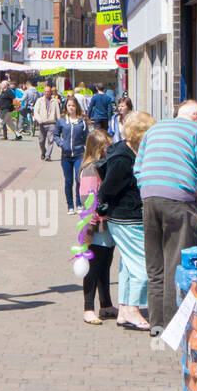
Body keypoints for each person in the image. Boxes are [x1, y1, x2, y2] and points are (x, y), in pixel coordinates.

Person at [136, 101, 197, 334]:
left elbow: (138, 167)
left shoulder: (154, 129)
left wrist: (146, 189)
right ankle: (174, 327)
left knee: (155, 265)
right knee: (176, 265)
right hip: (180, 201)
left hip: (150, 199)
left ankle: (157, 322)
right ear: (196, 114)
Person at [96, 111, 156, 332]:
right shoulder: (123, 157)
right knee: (142, 265)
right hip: (126, 217)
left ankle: (124, 308)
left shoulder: (128, 152)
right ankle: (132, 307)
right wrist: (104, 207)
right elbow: (108, 188)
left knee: (129, 265)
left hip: (126, 216)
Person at [77, 129, 116, 325]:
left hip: (106, 223)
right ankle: (88, 307)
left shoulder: (103, 166)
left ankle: (106, 304)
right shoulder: (90, 169)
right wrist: (91, 224)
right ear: (96, 148)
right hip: (95, 225)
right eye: (105, 147)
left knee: (105, 264)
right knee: (93, 268)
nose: (108, 150)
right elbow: (87, 199)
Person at [53, 97, 89, 213]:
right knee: (68, 181)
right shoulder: (62, 121)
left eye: (73, 105)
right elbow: (56, 135)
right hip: (66, 156)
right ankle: (70, 205)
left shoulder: (82, 121)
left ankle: (79, 203)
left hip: (79, 154)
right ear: (66, 107)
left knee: (78, 179)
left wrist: (87, 149)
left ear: (76, 107)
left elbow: (87, 137)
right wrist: (61, 144)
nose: (71, 108)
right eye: (69, 105)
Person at [33, 85, 62, 161]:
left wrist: (59, 124)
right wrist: (39, 119)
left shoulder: (54, 101)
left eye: (48, 92)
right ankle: (44, 152)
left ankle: (48, 156)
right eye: (45, 91)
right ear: (43, 92)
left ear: (51, 92)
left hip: (52, 123)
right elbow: (36, 111)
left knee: (51, 140)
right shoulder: (39, 100)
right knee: (41, 141)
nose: (47, 93)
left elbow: (58, 113)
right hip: (42, 123)